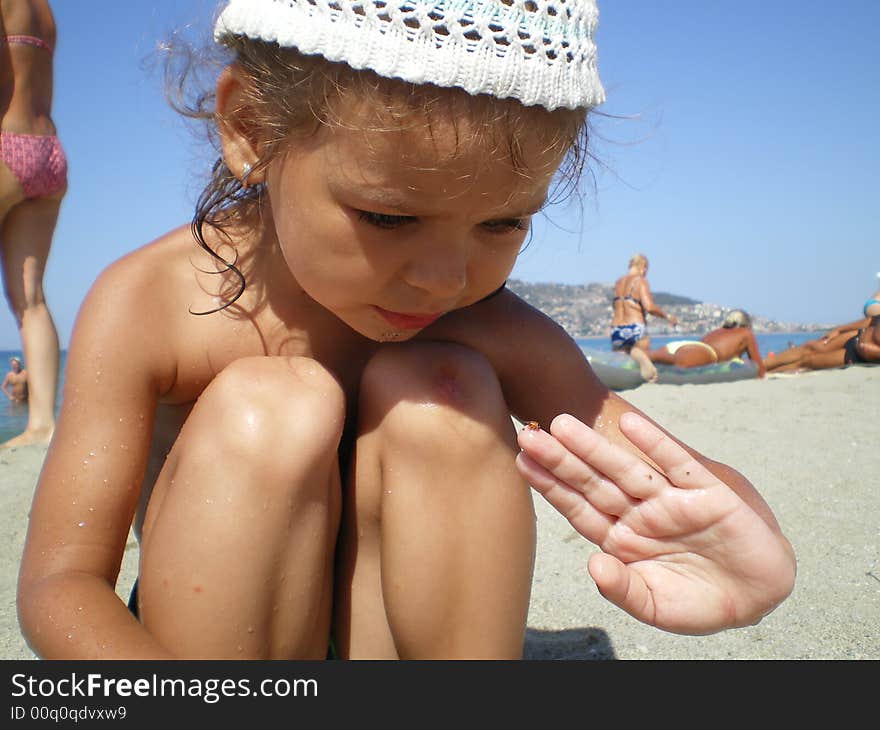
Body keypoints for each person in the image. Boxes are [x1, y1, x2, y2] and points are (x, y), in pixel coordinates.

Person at [17, 0, 795, 660]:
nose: (445, 280)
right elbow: (62, 583)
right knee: (273, 406)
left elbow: (661, 473)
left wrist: (747, 553)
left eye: (502, 222)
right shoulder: (151, 304)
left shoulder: (485, 325)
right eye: (388, 216)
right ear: (251, 128)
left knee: (440, 393)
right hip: (216, 652)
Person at [0, 0, 65, 448]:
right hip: (49, 152)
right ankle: (42, 424)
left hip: (5, 142)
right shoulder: (43, 10)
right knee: (31, 300)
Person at [764, 284, 880, 373]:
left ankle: (767, 374)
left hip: (856, 355)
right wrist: (839, 330)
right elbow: (872, 320)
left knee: (808, 361)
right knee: (811, 346)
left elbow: (870, 351)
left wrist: (869, 350)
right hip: (856, 335)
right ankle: (762, 365)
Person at [610, 253, 678, 382]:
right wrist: (667, 316)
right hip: (635, 326)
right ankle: (650, 376)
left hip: (617, 328)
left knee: (623, 362)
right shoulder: (640, 281)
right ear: (643, 267)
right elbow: (649, 307)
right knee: (645, 359)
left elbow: (616, 306)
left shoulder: (618, 282)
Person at [648, 309, 766, 377]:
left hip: (686, 346)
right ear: (746, 324)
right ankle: (646, 356)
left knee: (654, 358)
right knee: (670, 360)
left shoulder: (717, 332)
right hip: (705, 352)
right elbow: (758, 367)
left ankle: (644, 355)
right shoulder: (745, 333)